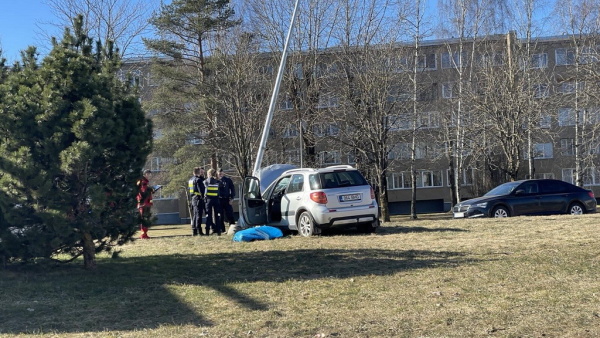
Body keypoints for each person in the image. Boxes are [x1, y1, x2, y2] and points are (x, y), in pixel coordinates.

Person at [136, 169, 156, 239]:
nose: (149, 175)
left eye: (150, 174)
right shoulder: (142, 181)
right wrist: (150, 189)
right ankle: (143, 234)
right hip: (143, 203)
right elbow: (143, 191)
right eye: (148, 174)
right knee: (143, 219)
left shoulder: (146, 182)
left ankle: (145, 233)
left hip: (147, 202)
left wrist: (152, 190)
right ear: (145, 174)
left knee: (146, 218)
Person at [203, 168, 222, 235]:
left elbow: (204, 189)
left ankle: (207, 231)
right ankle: (218, 231)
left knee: (208, 215)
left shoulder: (205, 182)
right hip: (216, 200)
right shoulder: (218, 182)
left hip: (208, 200)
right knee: (217, 215)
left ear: (209, 174)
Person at [188, 167, 206, 236]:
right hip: (198, 199)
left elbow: (190, 190)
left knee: (195, 215)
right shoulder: (198, 180)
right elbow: (201, 190)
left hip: (193, 198)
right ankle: (199, 231)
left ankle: (194, 230)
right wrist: (203, 197)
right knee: (199, 215)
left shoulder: (190, 180)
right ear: (198, 172)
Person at [218, 168, 236, 233]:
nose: (220, 174)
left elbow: (232, 189)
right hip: (219, 200)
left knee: (230, 214)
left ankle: (232, 228)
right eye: (219, 173)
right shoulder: (216, 180)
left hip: (227, 199)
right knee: (220, 216)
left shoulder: (228, 180)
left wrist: (232, 198)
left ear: (223, 173)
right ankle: (222, 230)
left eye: (221, 173)